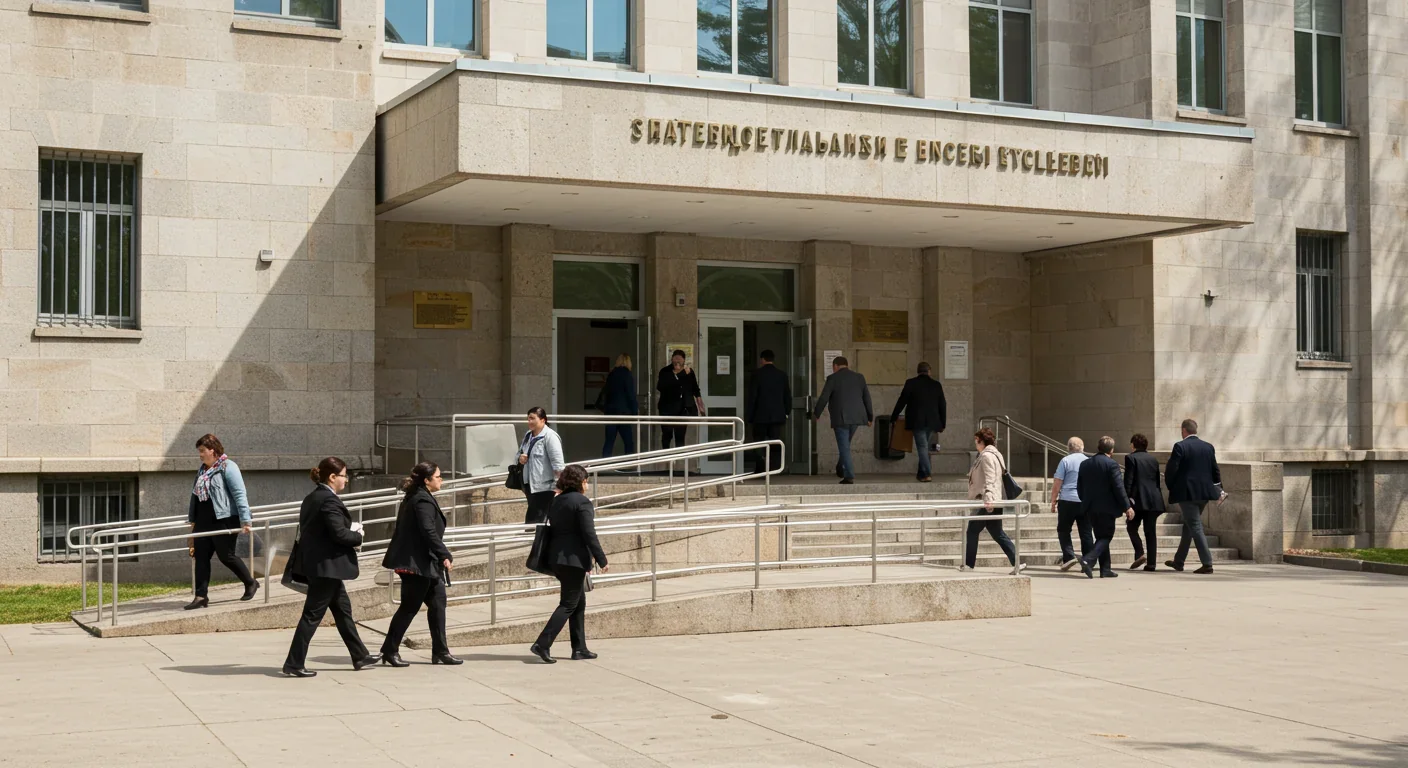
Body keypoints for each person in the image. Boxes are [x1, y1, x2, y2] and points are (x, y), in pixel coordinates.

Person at [282, 457, 378, 678]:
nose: (347, 480)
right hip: (326, 569)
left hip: (323, 567)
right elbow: (339, 533)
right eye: (344, 475)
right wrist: (358, 536)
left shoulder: (312, 498)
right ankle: (294, 663)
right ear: (332, 477)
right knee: (311, 616)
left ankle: (360, 655)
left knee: (343, 611)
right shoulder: (329, 500)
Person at [379, 461, 460, 667]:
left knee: (438, 603)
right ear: (427, 480)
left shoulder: (418, 496)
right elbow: (428, 531)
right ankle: (389, 649)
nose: (441, 479)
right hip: (417, 565)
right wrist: (444, 554)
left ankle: (441, 651)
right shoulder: (421, 500)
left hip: (425, 564)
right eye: (438, 476)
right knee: (409, 607)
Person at [529, 465, 609, 664]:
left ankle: (579, 647)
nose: (587, 484)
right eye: (586, 480)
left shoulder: (557, 500)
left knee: (578, 602)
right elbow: (588, 533)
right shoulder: (582, 502)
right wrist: (601, 558)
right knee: (568, 604)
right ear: (581, 481)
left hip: (557, 559)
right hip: (574, 560)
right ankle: (542, 643)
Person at [184, 434, 258, 610]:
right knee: (201, 557)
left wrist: (245, 520)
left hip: (224, 519)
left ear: (213, 450)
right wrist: (192, 522)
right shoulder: (202, 470)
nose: (200, 455)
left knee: (226, 556)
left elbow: (240, 494)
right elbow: (195, 497)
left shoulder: (228, 467)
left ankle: (250, 582)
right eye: (199, 451)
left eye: (202, 451)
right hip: (203, 520)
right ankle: (201, 596)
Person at [1165, 418, 1221, 574]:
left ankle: (1207, 563)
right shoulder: (1208, 447)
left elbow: (1171, 470)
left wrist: (1171, 486)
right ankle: (1179, 561)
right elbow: (1215, 470)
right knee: (1188, 526)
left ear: (1184, 430)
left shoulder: (1180, 446)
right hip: (1204, 493)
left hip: (1187, 493)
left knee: (1195, 526)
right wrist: (1218, 488)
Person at [1075, 436, 1134, 579]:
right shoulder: (1112, 465)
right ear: (1112, 450)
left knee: (1100, 536)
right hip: (1107, 508)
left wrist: (1085, 501)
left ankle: (1105, 569)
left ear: (1098, 447)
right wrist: (1127, 507)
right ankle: (1088, 559)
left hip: (1090, 507)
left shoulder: (1085, 464)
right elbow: (1119, 488)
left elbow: (1079, 487)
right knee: (1106, 536)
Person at [963, 428, 1021, 574]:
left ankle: (969, 564)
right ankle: (1017, 562)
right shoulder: (995, 454)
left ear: (982, 441)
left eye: (976, 441)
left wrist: (988, 499)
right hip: (994, 499)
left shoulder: (987, 456)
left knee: (972, 531)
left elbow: (990, 479)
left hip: (988, 500)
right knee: (997, 533)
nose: (975, 444)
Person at [812, 356, 873, 485]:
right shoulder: (859, 377)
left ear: (835, 366)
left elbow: (824, 397)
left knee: (844, 447)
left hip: (841, 417)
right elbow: (867, 397)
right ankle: (840, 468)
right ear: (847, 365)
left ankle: (849, 475)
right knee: (845, 444)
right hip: (856, 417)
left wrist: (816, 414)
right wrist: (870, 417)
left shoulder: (833, 378)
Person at [889, 362, 947, 482]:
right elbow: (942, 405)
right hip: (932, 422)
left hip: (917, 421)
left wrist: (894, 416)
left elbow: (902, 401)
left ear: (918, 371)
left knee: (922, 447)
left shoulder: (911, 383)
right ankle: (921, 473)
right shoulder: (936, 385)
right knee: (924, 446)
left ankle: (926, 473)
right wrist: (942, 423)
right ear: (929, 371)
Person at [1124, 433, 1166, 571]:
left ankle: (1140, 553)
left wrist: (1126, 501)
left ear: (1133, 445)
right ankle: (1152, 563)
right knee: (1150, 531)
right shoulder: (1153, 459)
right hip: (1154, 500)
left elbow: (1128, 481)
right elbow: (1156, 481)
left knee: (1131, 527)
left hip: (1138, 500)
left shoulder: (1131, 458)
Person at [1051, 437, 1093, 572]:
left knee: (1063, 529)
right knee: (1086, 532)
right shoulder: (1089, 461)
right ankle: (1087, 561)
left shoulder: (1065, 461)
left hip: (1067, 499)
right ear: (1082, 447)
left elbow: (1058, 482)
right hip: (1085, 501)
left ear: (1068, 448)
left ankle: (1069, 556)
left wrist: (1053, 500)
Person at [746, 349, 790, 476]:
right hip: (777, 416)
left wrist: (750, 416)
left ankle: (760, 468)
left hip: (760, 416)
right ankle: (775, 468)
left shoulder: (757, 375)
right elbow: (787, 396)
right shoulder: (782, 375)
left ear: (762, 360)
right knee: (775, 442)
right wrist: (786, 412)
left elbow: (753, 396)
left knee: (759, 442)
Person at [518, 406, 565, 525]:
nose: (529, 422)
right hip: (530, 485)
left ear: (543, 420)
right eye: (528, 419)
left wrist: (560, 485)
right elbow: (518, 453)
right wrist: (520, 458)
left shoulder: (550, 437)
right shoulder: (528, 435)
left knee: (535, 520)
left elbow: (558, 464)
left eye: (532, 418)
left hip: (545, 487)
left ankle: (532, 540)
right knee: (536, 518)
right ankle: (535, 540)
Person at [656, 350, 704, 450]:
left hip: (682, 409)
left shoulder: (689, 372)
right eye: (675, 359)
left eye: (680, 359)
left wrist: (700, 406)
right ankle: (666, 458)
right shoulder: (665, 371)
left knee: (680, 436)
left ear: (684, 360)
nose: (677, 361)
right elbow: (661, 387)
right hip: (667, 408)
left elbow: (695, 389)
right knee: (667, 435)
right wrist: (680, 374)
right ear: (672, 359)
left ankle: (679, 460)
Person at [599, 353, 638, 458]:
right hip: (623, 414)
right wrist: (635, 412)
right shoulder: (627, 375)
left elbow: (607, 394)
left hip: (610, 412)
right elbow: (631, 395)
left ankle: (604, 466)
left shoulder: (611, 375)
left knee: (609, 441)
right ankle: (629, 466)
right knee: (628, 442)